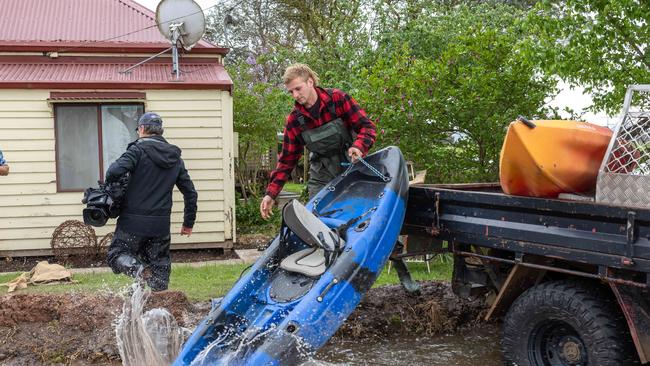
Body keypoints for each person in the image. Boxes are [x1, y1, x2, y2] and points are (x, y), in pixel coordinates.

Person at [260, 64, 376, 219]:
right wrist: (270, 194)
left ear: (310, 82)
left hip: (351, 164)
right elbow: (287, 161)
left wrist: (359, 146)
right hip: (321, 174)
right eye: (291, 91)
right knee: (318, 219)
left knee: (359, 215)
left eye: (298, 89)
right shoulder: (295, 121)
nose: (295, 95)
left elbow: (367, 127)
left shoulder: (337, 99)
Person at [105, 112, 197, 291]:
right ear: (160, 131)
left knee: (117, 254)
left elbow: (113, 172)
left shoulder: (136, 151)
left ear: (141, 129)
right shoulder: (175, 158)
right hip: (160, 225)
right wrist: (188, 223)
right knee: (160, 270)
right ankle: (159, 305)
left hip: (132, 223)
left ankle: (139, 269)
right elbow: (190, 193)